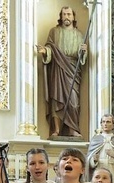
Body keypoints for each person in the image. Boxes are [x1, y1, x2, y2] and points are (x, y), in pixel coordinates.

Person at [36, 6, 87, 138]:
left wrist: (83, 51)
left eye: (69, 14)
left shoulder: (79, 34)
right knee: (56, 100)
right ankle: (56, 130)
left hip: (72, 69)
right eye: (64, 14)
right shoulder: (54, 31)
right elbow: (50, 47)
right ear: (61, 16)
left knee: (73, 102)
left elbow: (81, 57)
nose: (66, 17)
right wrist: (45, 52)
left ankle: (72, 129)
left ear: (73, 17)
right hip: (58, 68)